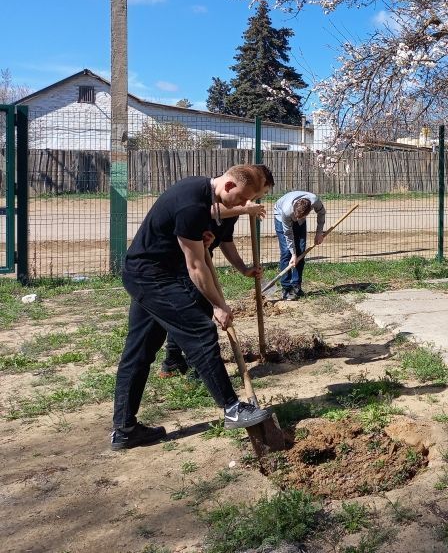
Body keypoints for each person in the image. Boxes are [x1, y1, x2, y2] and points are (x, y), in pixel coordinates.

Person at [110, 165, 273, 451]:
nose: (244, 206)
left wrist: (203, 237)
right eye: (243, 199)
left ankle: (125, 430)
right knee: (200, 331)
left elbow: (193, 238)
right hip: (153, 276)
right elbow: (196, 267)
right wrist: (218, 305)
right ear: (230, 186)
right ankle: (233, 409)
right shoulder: (192, 203)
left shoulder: (202, 195)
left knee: (139, 351)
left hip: (147, 272)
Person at [159, 165, 274, 379]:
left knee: (192, 309)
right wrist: (244, 209)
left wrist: (243, 269)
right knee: (197, 313)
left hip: (202, 257)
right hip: (185, 260)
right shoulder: (220, 198)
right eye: (262, 192)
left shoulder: (236, 204)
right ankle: (196, 367)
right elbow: (211, 210)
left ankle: (173, 360)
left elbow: (225, 240)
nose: (258, 198)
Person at [273, 190, 326, 299]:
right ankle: (286, 288)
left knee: (301, 250)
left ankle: (296, 286)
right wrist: (293, 254)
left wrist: (319, 233)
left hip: (300, 216)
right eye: (296, 217)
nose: (297, 220)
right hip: (281, 217)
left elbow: (321, 213)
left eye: (300, 217)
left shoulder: (315, 201)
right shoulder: (286, 211)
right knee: (287, 252)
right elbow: (288, 234)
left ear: (309, 210)